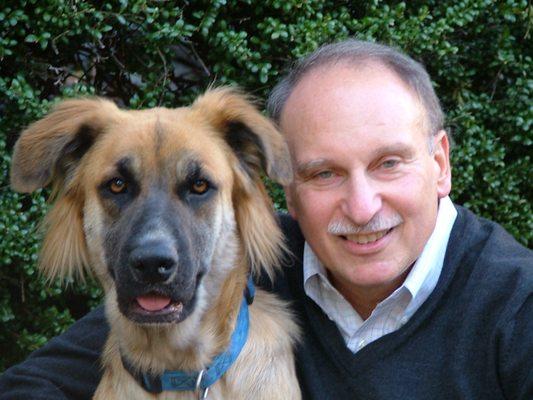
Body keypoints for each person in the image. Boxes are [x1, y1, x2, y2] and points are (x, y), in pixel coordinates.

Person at [1, 39, 531, 399]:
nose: (363, 206)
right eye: (323, 173)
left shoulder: (516, 306)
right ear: (286, 190)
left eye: (388, 163)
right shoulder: (251, 268)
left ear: (440, 164)